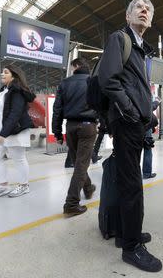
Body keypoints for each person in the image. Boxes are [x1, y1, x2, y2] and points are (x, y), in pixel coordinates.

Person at [98, 0, 162, 273]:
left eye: (148, 8)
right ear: (127, 16)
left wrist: (148, 114)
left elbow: (135, 87)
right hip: (126, 123)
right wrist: (132, 112)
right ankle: (131, 247)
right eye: (139, 6)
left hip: (134, 123)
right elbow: (108, 80)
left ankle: (127, 232)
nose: (144, 10)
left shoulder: (139, 49)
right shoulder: (119, 39)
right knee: (132, 184)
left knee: (129, 182)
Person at [52, 58, 98, 216]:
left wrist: (57, 132)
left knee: (79, 163)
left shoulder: (65, 83)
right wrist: (108, 127)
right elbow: (102, 105)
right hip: (88, 126)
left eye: (72, 68)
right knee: (81, 165)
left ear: (76, 67)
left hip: (70, 126)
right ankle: (71, 203)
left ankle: (88, 188)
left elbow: (57, 109)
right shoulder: (93, 81)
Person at [0, 65, 36, 199]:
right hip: (2, 131)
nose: (2, 74)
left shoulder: (17, 90)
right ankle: (3, 186)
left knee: (18, 159)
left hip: (15, 131)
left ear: (13, 76)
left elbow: (15, 113)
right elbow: (4, 109)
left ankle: (24, 186)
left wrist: (3, 134)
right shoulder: (4, 90)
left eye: (5, 72)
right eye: (2, 72)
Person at [142, 99, 160, 179]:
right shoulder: (142, 92)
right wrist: (156, 102)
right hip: (146, 125)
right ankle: (146, 173)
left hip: (134, 125)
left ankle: (134, 173)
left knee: (134, 150)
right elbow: (149, 107)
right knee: (147, 149)